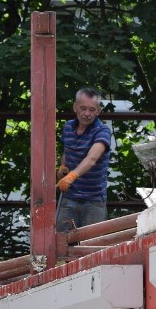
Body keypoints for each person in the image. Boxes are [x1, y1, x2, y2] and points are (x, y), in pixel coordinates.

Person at [55, 87, 112, 231]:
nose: (87, 113)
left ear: (98, 111)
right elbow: (67, 150)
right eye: (83, 108)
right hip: (68, 197)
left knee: (92, 245)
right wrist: (63, 167)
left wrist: (71, 176)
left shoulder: (102, 131)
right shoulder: (68, 127)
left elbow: (92, 158)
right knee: (61, 243)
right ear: (75, 107)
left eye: (92, 110)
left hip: (93, 201)